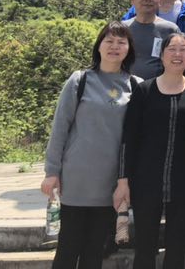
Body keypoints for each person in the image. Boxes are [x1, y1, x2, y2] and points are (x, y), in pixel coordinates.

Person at [42, 22, 139, 269]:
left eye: (121, 42)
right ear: (99, 46)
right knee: (67, 248)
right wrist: (52, 171)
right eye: (109, 41)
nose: (115, 46)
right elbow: (60, 127)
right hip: (77, 178)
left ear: (129, 48)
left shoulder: (136, 85)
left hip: (112, 181)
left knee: (95, 251)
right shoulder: (80, 80)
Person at [115, 34, 185, 269]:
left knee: (177, 248)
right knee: (144, 249)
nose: (177, 54)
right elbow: (129, 137)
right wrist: (123, 180)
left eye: (183, 49)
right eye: (172, 49)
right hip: (146, 181)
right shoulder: (144, 89)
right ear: (161, 55)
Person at [121, 0, 179, 79]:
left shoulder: (170, 29)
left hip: (158, 86)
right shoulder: (122, 29)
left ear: (160, 1)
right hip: (123, 85)